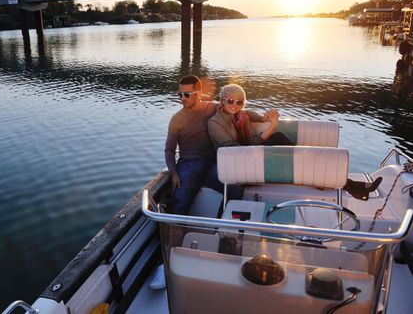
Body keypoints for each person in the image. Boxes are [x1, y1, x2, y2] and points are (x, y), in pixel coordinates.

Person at [208, 84, 382, 200]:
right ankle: (349, 185)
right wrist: (270, 128)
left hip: (249, 154)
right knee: (278, 137)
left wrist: (269, 117)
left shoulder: (242, 115)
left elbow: (260, 118)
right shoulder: (215, 123)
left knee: (282, 140)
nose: (234, 105)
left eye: (239, 102)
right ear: (222, 100)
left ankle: (345, 183)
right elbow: (233, 150)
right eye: (230, 101)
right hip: (235, 162)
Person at [149, 75, 243, 291]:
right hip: (188, 165)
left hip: (212, 164)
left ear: (199, 94)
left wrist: (262, 120)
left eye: (187, 94)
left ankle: (220, 238)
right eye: (179, 94)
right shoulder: (177, 119)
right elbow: (169, 149)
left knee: (235, 189)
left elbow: (238, 110)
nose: (182, 98)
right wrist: (173, 172)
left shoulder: (213, 108)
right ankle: (164, 263)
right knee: (179, 202)